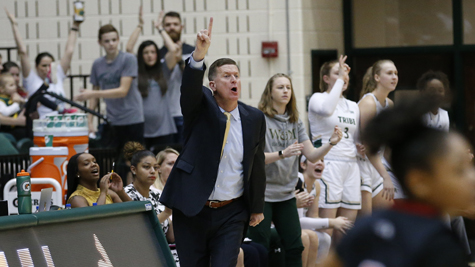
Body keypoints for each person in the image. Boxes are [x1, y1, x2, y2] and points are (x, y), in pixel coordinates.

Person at [159, 18, 267, 267]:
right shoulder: (200, 108)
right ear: (212, 85)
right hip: (192, 208)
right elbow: (189, 90)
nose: (234, 81)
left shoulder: (254, 117)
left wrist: (257, 206)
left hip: (232, 211)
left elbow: (257, 162)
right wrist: (199, 54)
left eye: (237, 76)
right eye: (227, 76)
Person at [323, 98, 474, 267]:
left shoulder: (365, 228)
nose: (472, 178)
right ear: (419, 181)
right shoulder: (439, 245)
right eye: (459, 170)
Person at [247, 72, 343, 267]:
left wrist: (330, 143)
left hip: (286, 194)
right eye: (280, 87)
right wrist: (283, 153)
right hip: (262, 194)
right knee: (260, 247)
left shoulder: (295, 121)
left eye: (288, 87)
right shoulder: (259, 118)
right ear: (270, 92)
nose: (285, 91)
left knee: (295, 246)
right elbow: (254, 159)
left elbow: (312, 155)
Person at [306, 56, 359, 245]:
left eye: (345, 73)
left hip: (351, 165)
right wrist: (340, 80)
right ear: (326, 78)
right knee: (327, 229)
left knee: (347, 227)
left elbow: (358, 138)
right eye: (338, 73)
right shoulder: (318, 98)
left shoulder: (353, 106)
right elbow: (328, 110)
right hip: (328, 163)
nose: (344, 77)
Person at [74, 24, 144, 151]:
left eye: (114, 40)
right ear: (100, 43)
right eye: (107, 41)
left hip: (132, 119)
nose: (111, 44)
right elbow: (94, 93)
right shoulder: (97, 64)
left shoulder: (128, 59)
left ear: (118, 40)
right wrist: (89, 120)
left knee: (134, 160)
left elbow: (123, 91)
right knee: (111, 159)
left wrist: (92, 94)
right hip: (112, 120)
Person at [5, 8, 80, 118]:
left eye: (50, 65)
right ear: (36, 66)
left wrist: (75, 25)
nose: (47, 68)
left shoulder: (57, 74)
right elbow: (22, 52)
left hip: (60, 123)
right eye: (44, 65)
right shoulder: (31, 79)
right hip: (41, 125)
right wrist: (14, 25)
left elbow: (69, 51)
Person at [126, 7, 179, 150]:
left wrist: (160, 28)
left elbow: (174, 50)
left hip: (165, 129)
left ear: (157, 54)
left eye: (153, 52)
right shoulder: (136, 70)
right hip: (142, 129)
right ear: (141, 56)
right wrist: (140, 25)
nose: (150, 55)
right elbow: (129, 48)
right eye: (146, 52)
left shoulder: (163, 70)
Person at [297, 155, 353, 264]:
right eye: (315, 159)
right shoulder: (298, 180)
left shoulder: (316, 186)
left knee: (325, 238)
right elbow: (298, 221)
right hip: (282, 225)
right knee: (309, 237)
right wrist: (331, 222)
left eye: (322, 160)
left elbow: (313, 216)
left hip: (298, 225)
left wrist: (341, 225)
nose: (320, 163)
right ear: (303, 165)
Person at [358, 60, 398, 207]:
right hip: (362, 165)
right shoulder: (369, 103)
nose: (394, 77)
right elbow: (367, 146)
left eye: (396, 73)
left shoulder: (389, 104)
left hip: (377, 164)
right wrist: (386, 176)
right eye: (389, 73)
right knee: (365, 220)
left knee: (390, 212)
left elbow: (387, 146)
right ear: (377, 77)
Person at [122, 142, 174, 242]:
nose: (152, 171)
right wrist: (166, 213)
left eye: (155, 167)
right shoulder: (126, 194)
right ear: (133, 169)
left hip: (165, 249)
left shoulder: (158, 194)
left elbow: (171, 237)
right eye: (146, 167)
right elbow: (140, 230)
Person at [159, 11, 195, 144]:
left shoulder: (192, 51)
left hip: (185, 113)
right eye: (167, 25)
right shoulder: (156, 54)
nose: (172, 27)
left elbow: (194, 78)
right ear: (163, 27)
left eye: (175, 24)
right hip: (164, 115)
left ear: (182, 27)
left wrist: (180, 60)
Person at [66, 153, 131, 207]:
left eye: (94, 161)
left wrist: (120, 191)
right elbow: (95, 220)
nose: (94, 164)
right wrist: (103, 193)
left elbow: (133, 211)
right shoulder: (77, 199)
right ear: (77, 173)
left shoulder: (109, 193)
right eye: (86, 163)